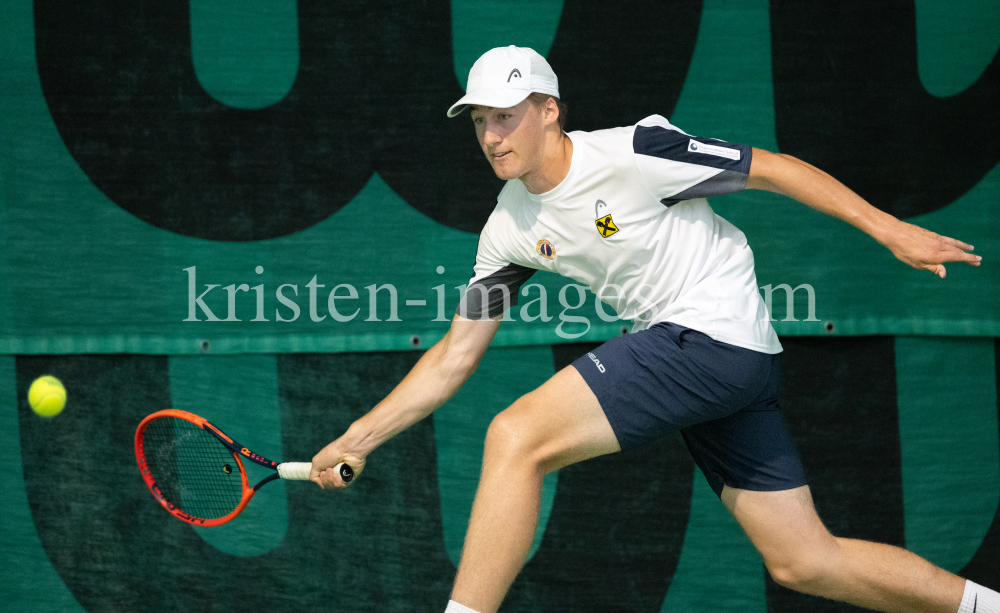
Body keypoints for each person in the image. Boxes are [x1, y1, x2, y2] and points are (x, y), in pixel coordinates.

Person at [310, 45, 995, 613]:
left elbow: (774, 169)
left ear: (549, 112)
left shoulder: (635, 152)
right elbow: (455, 355)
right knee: (804, 560)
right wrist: (356, 437)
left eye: (507, 117)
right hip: (729, 367)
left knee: (514, 436)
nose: (492, 135)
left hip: (709, 333)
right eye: (482, 121)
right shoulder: (509, 227)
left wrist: (891, 231)